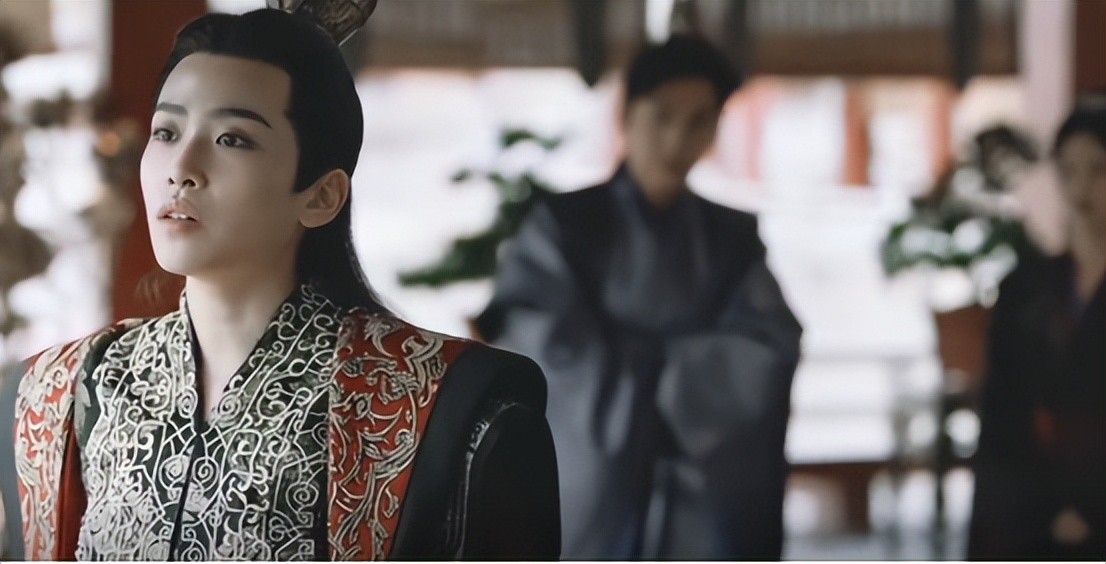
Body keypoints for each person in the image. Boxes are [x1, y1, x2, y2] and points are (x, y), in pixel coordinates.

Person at [7, 9, 559, 561]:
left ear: (321, 196)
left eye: (232, 138)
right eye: (166, 132)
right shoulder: (65, 390)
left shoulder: (449, 404)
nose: (181, 167)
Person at [476, 34, 802, 560]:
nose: (677, 139)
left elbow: (769, 342)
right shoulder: (564, 226)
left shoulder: (732, 239)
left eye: (699, 121)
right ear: (626, 115)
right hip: (590, 484)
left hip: (699, 496)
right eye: (662, 116)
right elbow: (537, 337)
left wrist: (651, 374)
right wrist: (679, 373)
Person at [968, 97, 1106, 560]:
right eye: (1069, 171)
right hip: (1030, 514)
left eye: (1099, 169)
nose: (1081, 190)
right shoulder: (1026, 287)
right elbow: (1002, 416)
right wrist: (1038, 507)